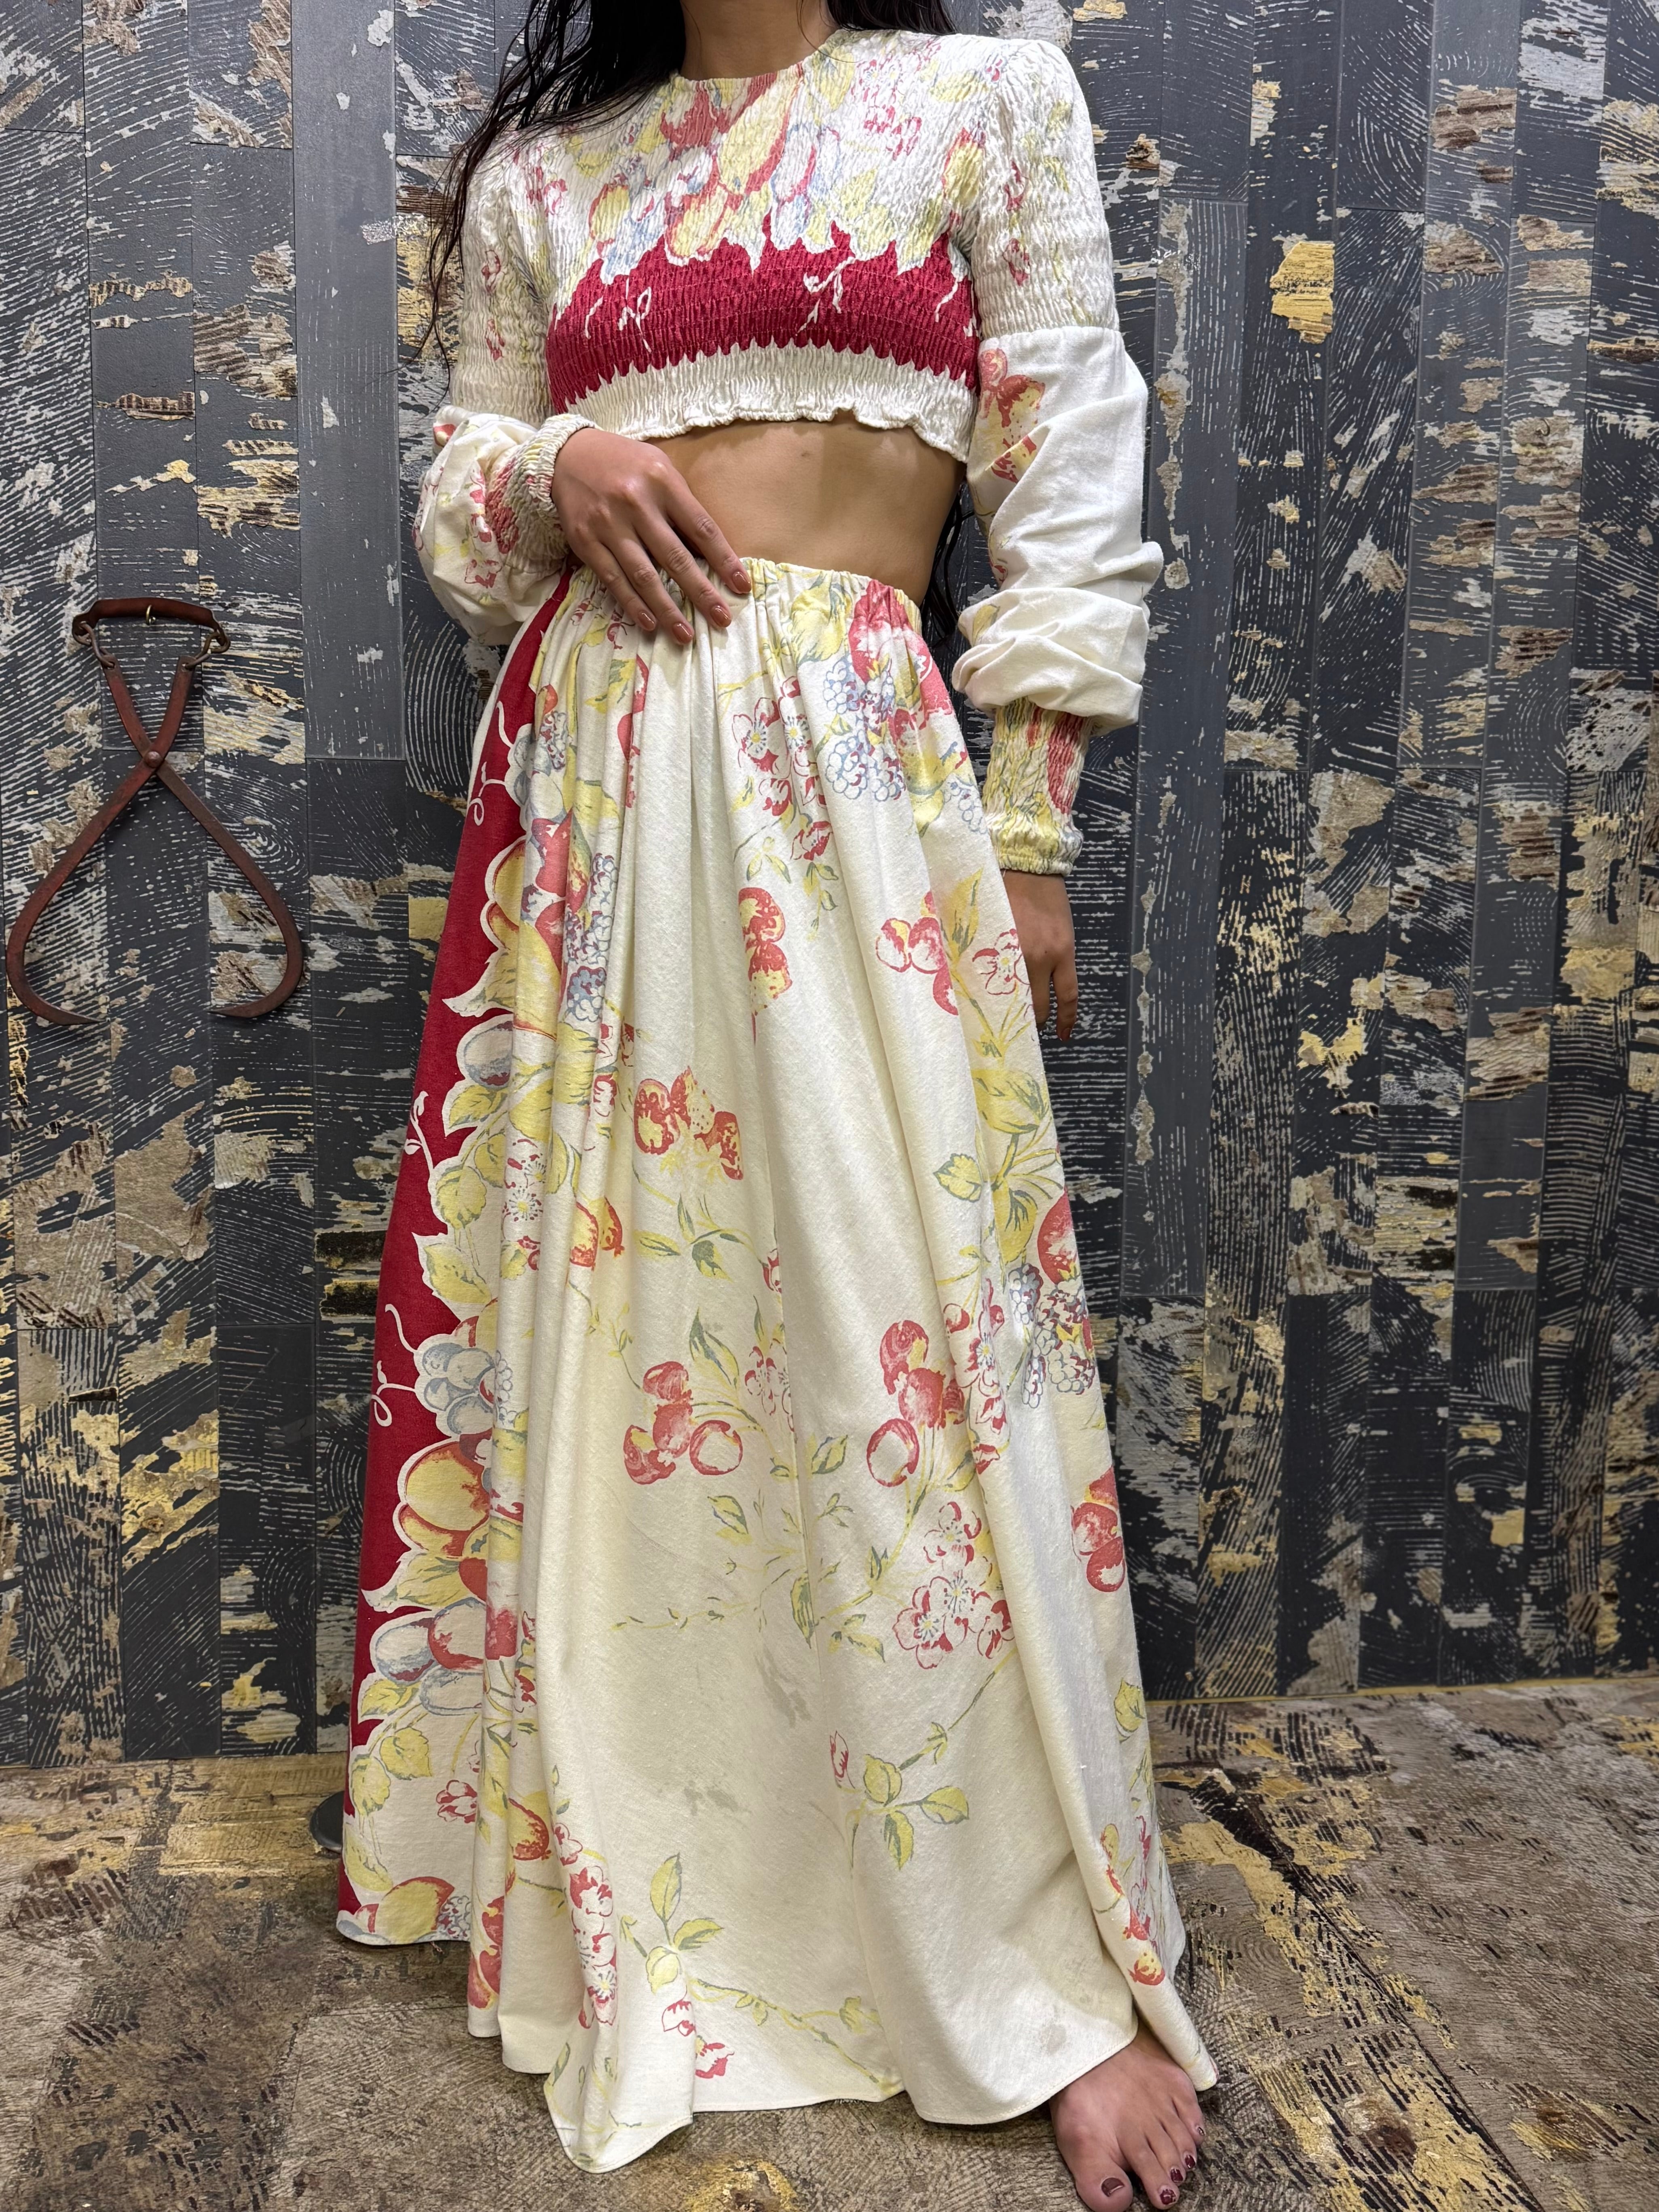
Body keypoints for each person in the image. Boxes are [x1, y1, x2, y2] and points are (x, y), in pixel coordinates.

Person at [336, 3, 1217, 2203]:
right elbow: (461, 509)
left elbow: (1068, 453)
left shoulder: (978, 103)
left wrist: (1032, 826)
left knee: (904, 1334)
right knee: (635, 1342)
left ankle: (1020, 1943)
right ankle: (660, 1857)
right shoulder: (547, 174)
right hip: (604, 789)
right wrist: (551, 469)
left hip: (854, 774)